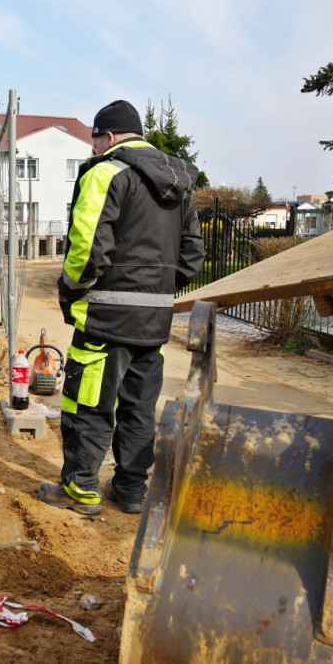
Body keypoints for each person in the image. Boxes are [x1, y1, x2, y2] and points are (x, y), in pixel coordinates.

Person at [39, 100, 204, 516]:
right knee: (138, 407)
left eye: (94, 139)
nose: (92, 148)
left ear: (107, 136)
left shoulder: (106, 173)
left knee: (88, 403)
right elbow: (192, 257)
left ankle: (80, 489)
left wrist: (72, 291)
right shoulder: (180, 182)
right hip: (154, 321)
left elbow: (87, 249)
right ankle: (130, 490)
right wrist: (156, 292)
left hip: (106, 317)